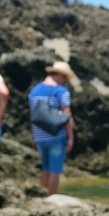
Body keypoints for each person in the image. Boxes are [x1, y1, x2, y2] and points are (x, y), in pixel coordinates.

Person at [28, 61, 76, 195]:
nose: (65, 81)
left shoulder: (34, 91)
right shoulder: (62, 91)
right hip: (57, 135)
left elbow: (33, 116)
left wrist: (34, 137)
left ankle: (42, 197)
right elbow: (67, 115)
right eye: (65, 77)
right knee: (55, 170)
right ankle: (51, 199)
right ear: (60, 75)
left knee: (45, 168)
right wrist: (71, 137)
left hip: (39, 135)